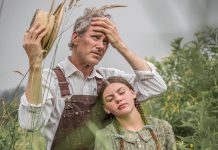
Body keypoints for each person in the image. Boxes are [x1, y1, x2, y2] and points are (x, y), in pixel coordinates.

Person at [18, 6, 167, 150]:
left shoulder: (109, 79)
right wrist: (35, 65)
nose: (101, 46)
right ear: (76, 38)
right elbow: (30, 124)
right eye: (95, 37)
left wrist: (120, 45)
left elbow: (155, 86)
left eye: (106, 42)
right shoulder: (48, 78)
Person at [95, 76, 176, 150]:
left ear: (133, 93)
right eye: (110, 99)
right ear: (106, 108)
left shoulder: (162, 127)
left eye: (122, 92)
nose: (118, 99)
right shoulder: (103, 136)